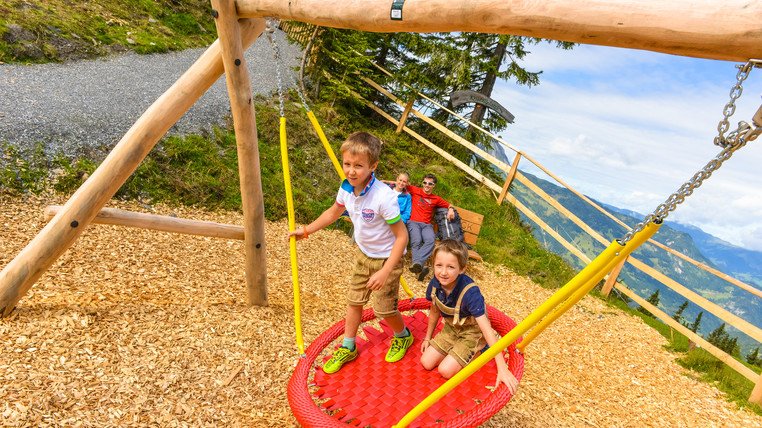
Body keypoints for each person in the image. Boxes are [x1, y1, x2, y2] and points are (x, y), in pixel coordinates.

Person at [289, 131, 413, 374]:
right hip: (363, 255)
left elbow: (402, 236)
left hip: (388, 258)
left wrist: (386, 270)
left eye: (358, 166)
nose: (351, 171)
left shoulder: (383, 197)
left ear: (373, 166)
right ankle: (348, 346)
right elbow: (333, 212)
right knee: (354, 301)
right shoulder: (347, 188)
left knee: (384, 309)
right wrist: (307, 230)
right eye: (347, 164)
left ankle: (403, 334)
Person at [420, 239, 519, 394]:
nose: (443, 272)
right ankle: (455, 351)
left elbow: (487, 329)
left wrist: (503, 369)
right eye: (439, 265)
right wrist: (427, 337)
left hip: (471, 333)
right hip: (451, 329)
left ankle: (480, 350)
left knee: (445, 371)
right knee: (426, 362)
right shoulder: (435, 284)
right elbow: (434, 311)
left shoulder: (470, 293)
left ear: (461, 269)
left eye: (451, 267)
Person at [406, 173, 455, 281]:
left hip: (427, 225)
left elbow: (449, 205)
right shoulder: (415, 190)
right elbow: (400, 183)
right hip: (413, 222)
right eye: (425, 183)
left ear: (434, 186)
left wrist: (451, 210)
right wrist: (383, 182)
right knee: (416, 240)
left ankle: (417, 264)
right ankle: (419, 266)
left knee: (430, 240)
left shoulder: (436, 198)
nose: (427, 185)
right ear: (422, 183)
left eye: (430, 184)